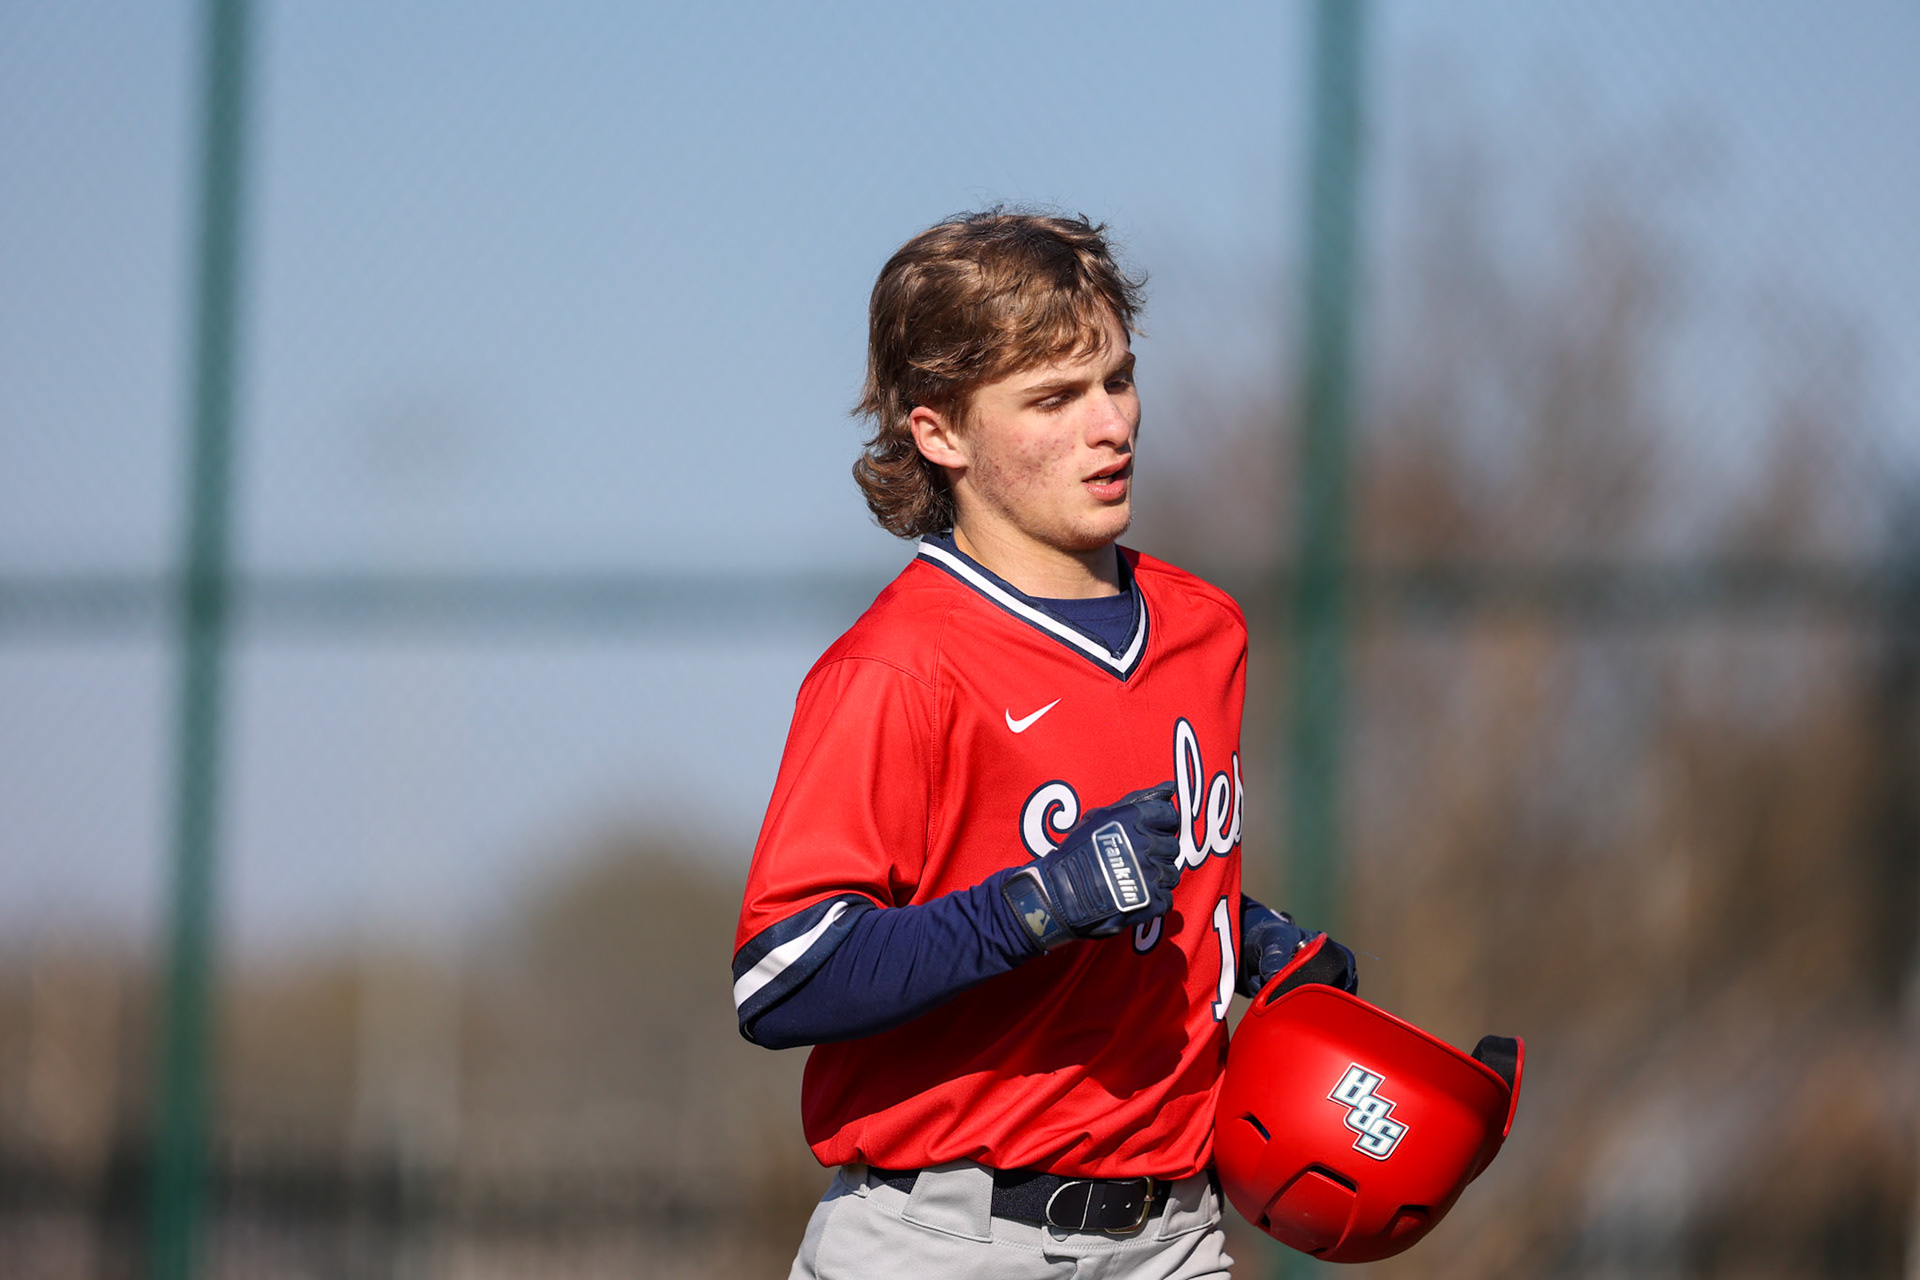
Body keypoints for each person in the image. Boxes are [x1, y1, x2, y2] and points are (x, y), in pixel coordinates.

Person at [732, 210, 1354, 1279]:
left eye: (1115, 378)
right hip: (947, 1239)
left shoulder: (1205, 629)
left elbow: (1144, 880)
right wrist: (1036, 903)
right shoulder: (898, 667)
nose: (1108, 423)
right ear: (939, 433)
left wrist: (1249, 937)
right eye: (1053, 399)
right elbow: (782, 974)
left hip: (1177, 1235)